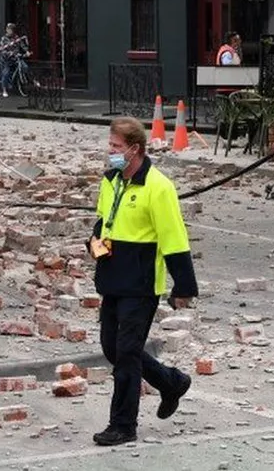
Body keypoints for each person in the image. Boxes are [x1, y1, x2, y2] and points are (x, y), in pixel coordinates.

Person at [87, 117, 199, 446]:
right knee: (114, 347)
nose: (111, 152)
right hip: (112, 279)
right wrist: (95, 244)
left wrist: (184, 287)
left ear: (135, 149)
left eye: (116, 147)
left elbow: (175, 240)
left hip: (140, 286)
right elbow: (103, 222)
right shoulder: (111, 181)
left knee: (126, 354)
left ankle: (123, 425)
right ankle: (171, 382)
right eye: (110, 145)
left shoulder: (159, 187)